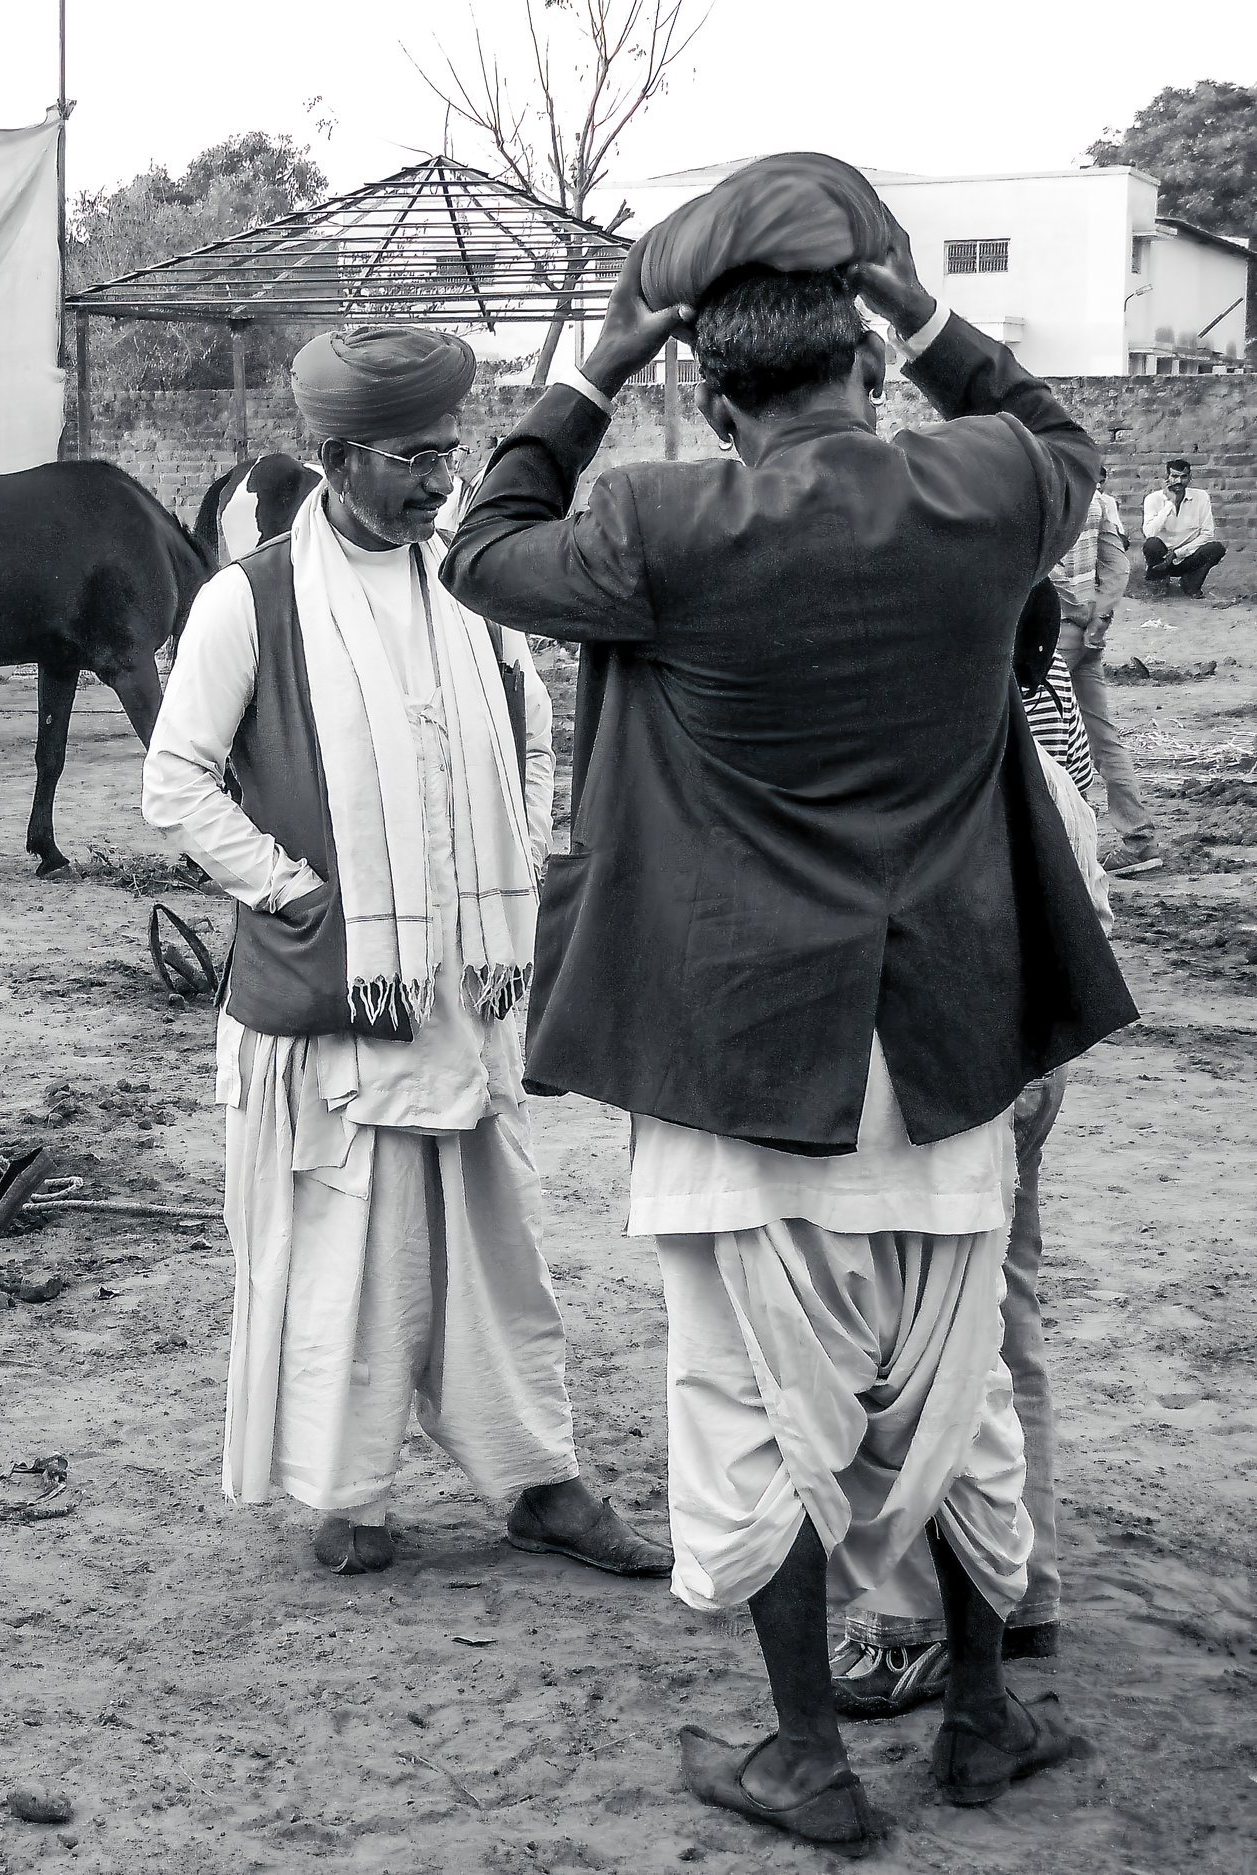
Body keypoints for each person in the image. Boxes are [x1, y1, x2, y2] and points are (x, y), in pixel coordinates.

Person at [442, 154, 1135, 1853]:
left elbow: (483, 547)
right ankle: (978, 1720)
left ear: (709, 393)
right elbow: (1065, 440)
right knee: (958, 1399)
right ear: (872, 365)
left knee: (752, 1416)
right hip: (953, 1042)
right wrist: (916, 297)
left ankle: (809, 1761)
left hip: (746, 1050)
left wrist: (599, 363)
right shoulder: (980, 493)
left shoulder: (661, 527)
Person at [142, 324, 669, 1583]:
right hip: (339, 997)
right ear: (334, 459)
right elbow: (176, 781)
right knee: (348, 1254)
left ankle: (538, 1482)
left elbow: (536, 732)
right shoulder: (250, 598)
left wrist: (513, 875)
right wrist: (296, 895)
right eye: (414, 459)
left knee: (501, 1251)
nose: (443, 482)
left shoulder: (478, 584)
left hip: (465, 992)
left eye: (450, 453)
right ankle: (349, 1494)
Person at [829, 583, 1112, 1719]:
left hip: (967, 1085)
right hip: (1024, 1074)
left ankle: (916, 1618)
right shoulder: (1044, 763)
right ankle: (1019, 1587)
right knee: (1004, 1325)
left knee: (927, 1348)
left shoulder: (965, 768)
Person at [1056, 465, 1162, 873]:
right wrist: (1098, 616)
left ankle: (1059, 848)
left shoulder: (1039, 503)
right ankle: (1139, 839)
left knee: (1038, 738)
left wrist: (1076, 613)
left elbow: (1047, 572)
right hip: (1089, 635)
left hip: (1052, 636)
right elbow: (1118, 569)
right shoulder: (1100, 503)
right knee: (1103, 740)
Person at [1142, 457, 1225, 596]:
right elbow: (1149, 533)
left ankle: (1190, 582)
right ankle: (1159, 583)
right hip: (1162, 559)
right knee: (1152, 544)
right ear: (1167, 478)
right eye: (1174, 476)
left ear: (1190, 478)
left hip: (1187, 556)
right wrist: (1170, 503)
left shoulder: (1201, 497)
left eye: (1183, 477)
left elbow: (1207, 533)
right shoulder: (1153, 499)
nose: (1179, 481)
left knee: (1216, 548)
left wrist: (1177, 553)